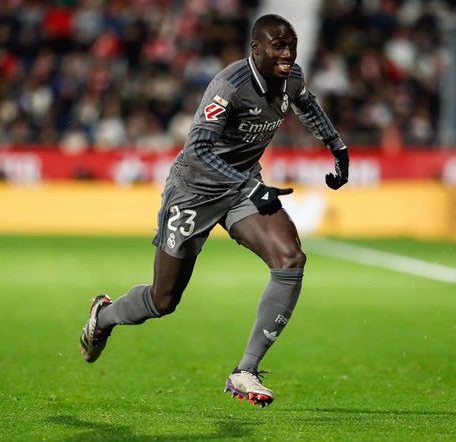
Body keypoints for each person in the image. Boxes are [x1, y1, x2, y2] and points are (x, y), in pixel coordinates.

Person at [79, 14, 349, 408]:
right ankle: (103, 316)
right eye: (278, 46)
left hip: (240, 189)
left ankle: (245, 371)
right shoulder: (228, 87)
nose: (288, 53)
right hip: (194, 191)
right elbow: (199, 150)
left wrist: (336, 146)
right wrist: (250, 185)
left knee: (290, 259)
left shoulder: (291, 77)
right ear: (255, 49)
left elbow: (305, 103)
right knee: (163, 300)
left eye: (290, 45)